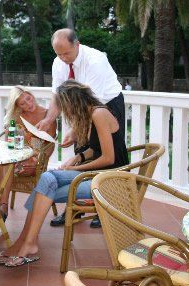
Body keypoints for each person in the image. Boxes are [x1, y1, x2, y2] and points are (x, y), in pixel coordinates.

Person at [0, 80, 128, 267]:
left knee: (44, 185)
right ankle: (26, 243)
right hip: (96, 175)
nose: (66, 113)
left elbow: (108, 158)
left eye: (65, 108)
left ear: (73, 101)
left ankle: (26, 244)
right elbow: (95, 150)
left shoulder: (99, 113)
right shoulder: (91, 114)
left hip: (110, 180)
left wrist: (75, 169)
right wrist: (78, 157)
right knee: (46, 182)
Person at [37, 28, 126, 228]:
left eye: (66, 53)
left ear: (77, 44)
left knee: (105, 149)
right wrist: (49, 119)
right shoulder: (59, 62)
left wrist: (76, 129)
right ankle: (75, 209)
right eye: (58, 54)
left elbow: (93, 101)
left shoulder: (95, 60)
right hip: (82, 106)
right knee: (82, 148)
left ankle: (102, 206)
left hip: (106, 103)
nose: (62, 58)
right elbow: (58, 95)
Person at [0, 86, 57, 236]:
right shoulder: (17, 118)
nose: (28, 104)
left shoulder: (47, 115)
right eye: (22, 104)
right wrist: (9, 132)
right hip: (17, 158)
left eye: (28, 99)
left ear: (32, 95)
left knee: (6, 165)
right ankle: (1, 206)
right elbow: (8, 144)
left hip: (34, 161)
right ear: (17, 106)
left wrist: (39, 160)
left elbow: (50, 145)